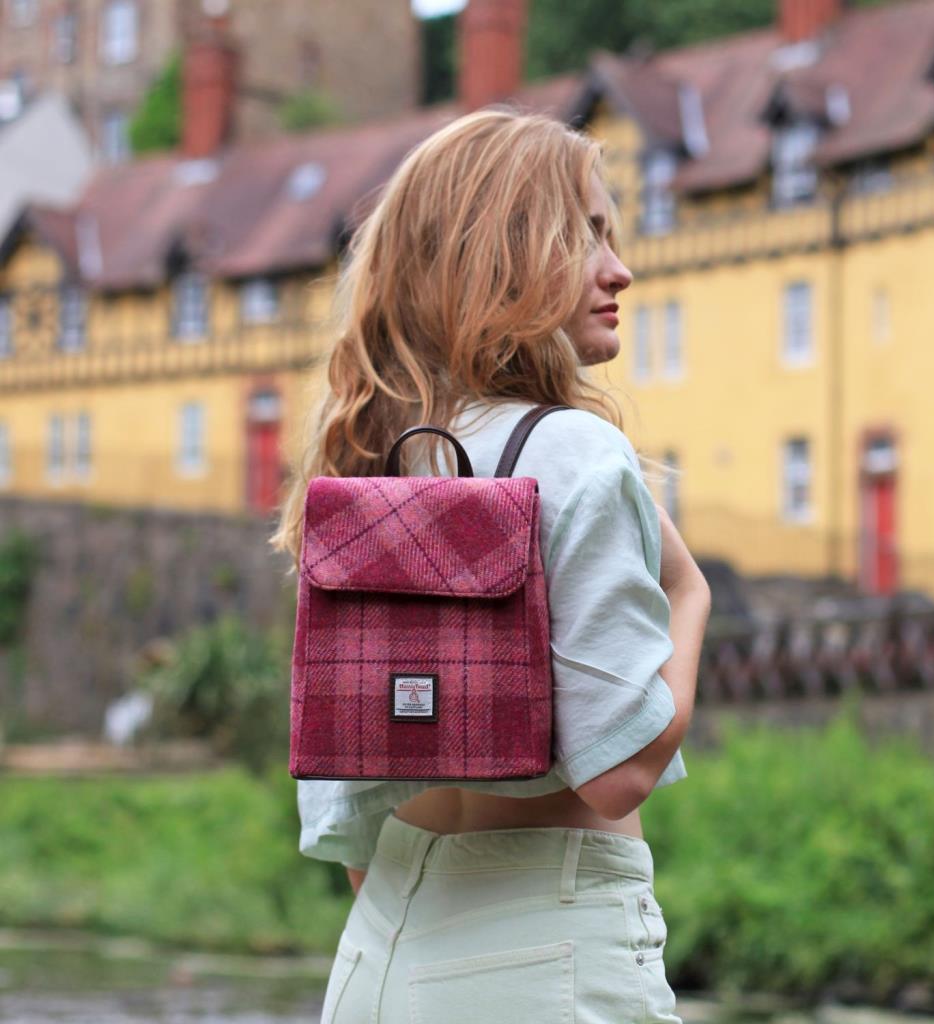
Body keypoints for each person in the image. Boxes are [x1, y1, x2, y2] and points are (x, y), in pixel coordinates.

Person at [270, 108, 712, 1024]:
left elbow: (348, 824)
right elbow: (617, 771)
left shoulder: (370, 471)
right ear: (506, 251)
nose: (619, 268)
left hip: (378, 957)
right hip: (549, 950)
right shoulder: (576, 451)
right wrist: (692, 595)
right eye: (587, 234)